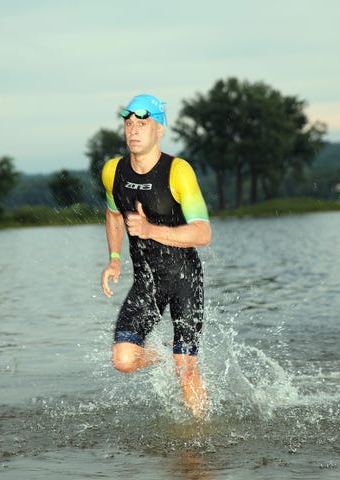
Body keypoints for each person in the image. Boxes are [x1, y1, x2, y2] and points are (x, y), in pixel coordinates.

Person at [100, 94, 212, 416]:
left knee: (185, 370)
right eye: (129, 123)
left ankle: (202, 435)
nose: (134, 130)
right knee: (123, 360)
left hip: (183, 279)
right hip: (146, 282)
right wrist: (114, 258)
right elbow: (113, 214)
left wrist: (150, 230)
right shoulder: (113, 172)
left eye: (143, 123)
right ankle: (168, 354)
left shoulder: (178, 171)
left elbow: (203, 233)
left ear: (159, 129)